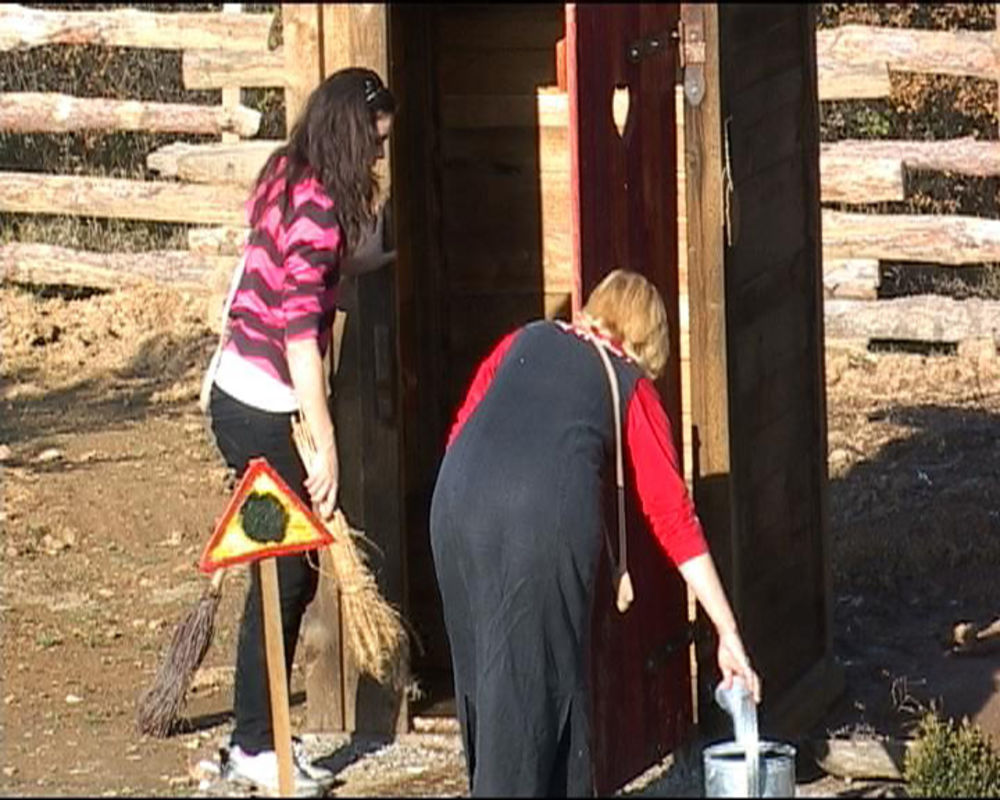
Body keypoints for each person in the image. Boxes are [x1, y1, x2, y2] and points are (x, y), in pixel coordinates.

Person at [429, 269, 762, 797]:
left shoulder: (525, 338)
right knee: (541, 693)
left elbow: (462, 430)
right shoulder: (628, 382)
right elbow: (673, 516)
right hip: (536, 519)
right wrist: (728, 631)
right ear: (646, 342)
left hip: (454, 502)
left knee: (488, 685)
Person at [205, 67, 396, 795]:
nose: (379, 158)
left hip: (238, 393)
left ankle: (254, 737)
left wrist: (364, 262)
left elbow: (297, 268)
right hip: (260, 403)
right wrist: (327, 444)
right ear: (353, 135)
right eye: (375, 144)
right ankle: (256, 745)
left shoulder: (288, 173)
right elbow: (299, 338)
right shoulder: (317, 207)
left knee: (282, 567)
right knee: (284, 571)